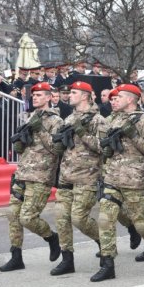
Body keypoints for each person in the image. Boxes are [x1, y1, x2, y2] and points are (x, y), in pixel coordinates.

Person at [91, 84, 144, 282]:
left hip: (136, 180)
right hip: (112, 178)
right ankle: (107, 264)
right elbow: (103, 148)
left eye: (119, 97)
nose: (114, 100)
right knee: (105, 220)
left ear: (131, 99)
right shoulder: (111, 120)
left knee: (142, 224)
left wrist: (133, 135)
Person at [0, 82, 63, 272]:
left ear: (49, 98)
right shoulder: (31, 117)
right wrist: (19, 142)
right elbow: (24, 150)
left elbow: (56, 149)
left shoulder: (56, 121)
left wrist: (40, 129)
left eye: (39, 95)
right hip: (23, 173)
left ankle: (52, 238)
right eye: (33, 95)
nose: (34, 98)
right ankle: (16, 256)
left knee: (27, 217)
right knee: (12, 214)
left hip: (41, 175)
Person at [50, 81, 108, 275]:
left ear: (84, 96)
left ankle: (104, 242)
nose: (69, 95)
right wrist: (58, 143)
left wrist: (82, 133)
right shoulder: (68, 118)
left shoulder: (98, 120)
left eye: (73, 92)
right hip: (67, 175)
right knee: (61, 217)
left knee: (79, 218)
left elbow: (103, 148)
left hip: (88, 176)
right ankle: (67, 259)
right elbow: (62, 149)